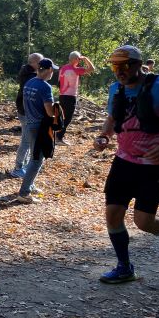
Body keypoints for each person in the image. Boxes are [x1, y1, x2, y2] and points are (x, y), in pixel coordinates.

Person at [93, 45, 159, 283]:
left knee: (143, 222)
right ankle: (124, 267)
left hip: (154, 165)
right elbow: (113, 117)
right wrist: (104, 136)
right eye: (115, 67)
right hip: (124, 161)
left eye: (124, 66)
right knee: (112, 215)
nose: (119, 71)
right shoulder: (116, 89)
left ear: (138, 65)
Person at [16, 58, 59, 204]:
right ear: (48, 70)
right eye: (52, 70)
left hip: (30, 123)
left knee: (33, 156)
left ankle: (30, 185)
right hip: (40, 126)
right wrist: (57, 108)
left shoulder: (29, 83)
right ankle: (24, 193)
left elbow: (25, 103)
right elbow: (49, 112)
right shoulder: (45, 87)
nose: (53, 73)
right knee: (36, 160)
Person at [9, 53, 42, 178]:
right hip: (26, 112)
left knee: (28, 140)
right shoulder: (30, 77)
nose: (41, 65)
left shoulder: (28, 73)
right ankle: (18, 168)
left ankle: (23, 166)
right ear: (33, 63)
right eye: (40, 62)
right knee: (26, 141)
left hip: (25, 111)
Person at [56, 50, 95, 146]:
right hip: (70, 96)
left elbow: (59, 81)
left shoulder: (63, 68)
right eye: (79, 59)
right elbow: (92, 68)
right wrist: (86, 59)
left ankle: (57, 136)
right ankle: (58, 138)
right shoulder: (75, 69)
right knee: (67, 118)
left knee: (62, 117)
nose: (79, 61)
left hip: (62, 95)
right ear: (75, 59)